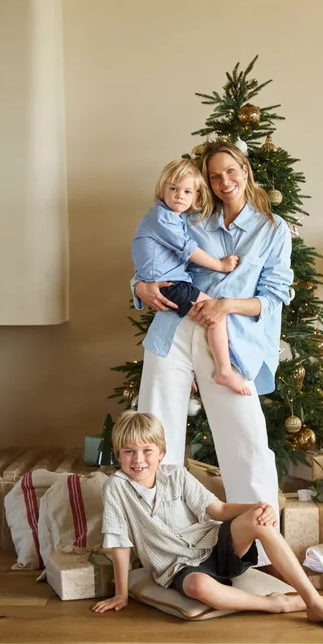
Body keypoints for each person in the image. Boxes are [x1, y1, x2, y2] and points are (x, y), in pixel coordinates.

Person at [133, 142, 293, 558]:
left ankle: (259, 549)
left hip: (230, 343)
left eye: (230, 172)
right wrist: (138, 288)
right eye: (214, 176)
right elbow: (151, 253)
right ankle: (161, 546)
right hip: (173, 331)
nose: (224, 182)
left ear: (245, 169)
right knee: (155, 435)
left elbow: (273, 298)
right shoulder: (191, 218)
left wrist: (226, 305)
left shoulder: (272, 230)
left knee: (248, 443)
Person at [92, 411, 323, 632]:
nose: (138, 459)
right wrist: (122, 594)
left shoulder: (177, 476)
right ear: (118, 454)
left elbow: (218, 510)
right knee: (198, 586)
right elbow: (120, 542)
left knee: (259, 519)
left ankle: (314, 602)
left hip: (215, 545)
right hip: (179, 566)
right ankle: (276, 604)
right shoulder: (116, 488)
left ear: (161, 452)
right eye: (129, 451)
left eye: (146, 450)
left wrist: (257, 507)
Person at [132, 158, 249, 395]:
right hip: (170, 285)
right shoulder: (162, 217)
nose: (179, 196)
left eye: (187, 191)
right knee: (215, 315)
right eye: (173, 189)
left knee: (209, 317)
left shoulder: (177, 217)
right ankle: (224, 371)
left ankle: (195, 374)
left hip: (170, 282)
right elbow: (187, 249)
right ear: (162, 189)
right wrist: (220, 265)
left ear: (196, 196)